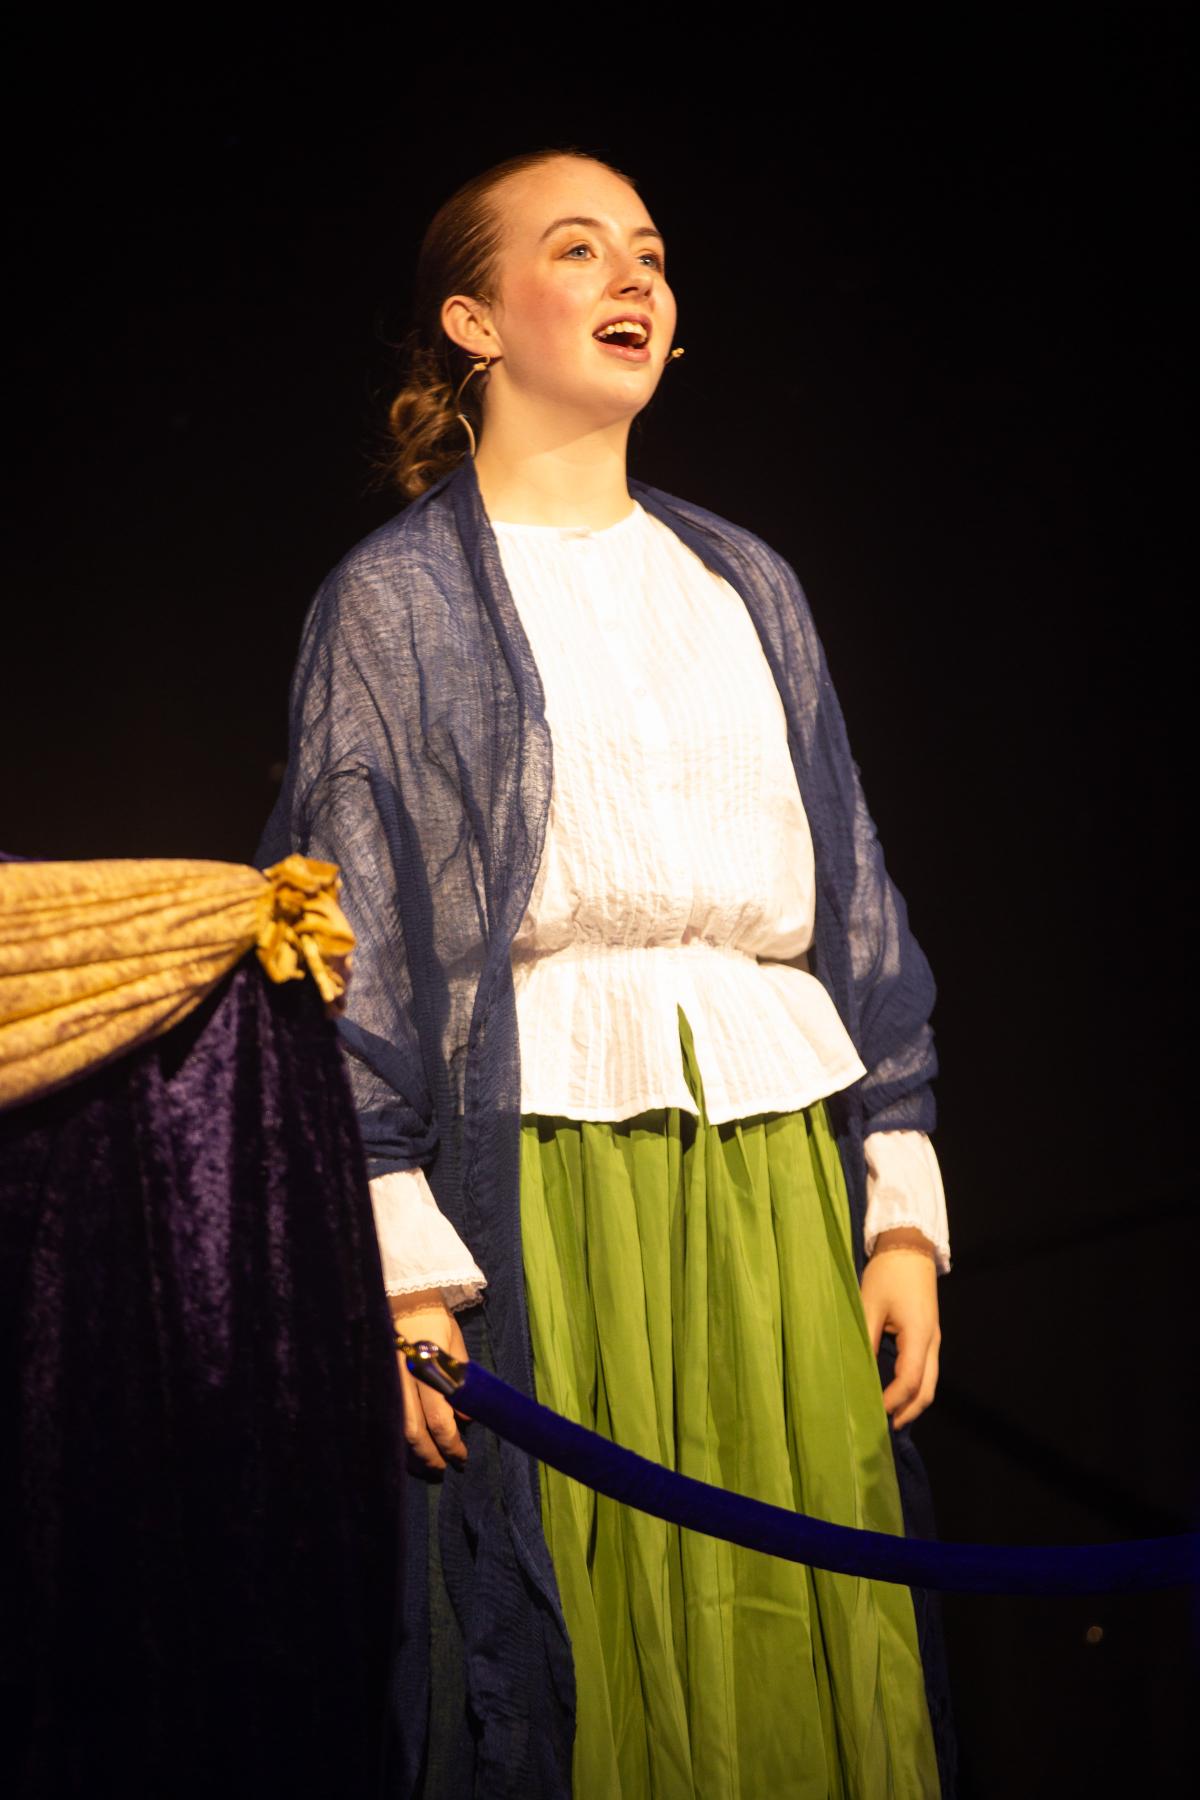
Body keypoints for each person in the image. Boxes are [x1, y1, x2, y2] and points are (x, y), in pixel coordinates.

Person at [257, 146, 955, 1799]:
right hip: (548, 1172)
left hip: (774, 1171)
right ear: (475, 320)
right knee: (595, 1609)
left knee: (796, 1600)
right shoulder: (395, 606)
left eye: (647, 249)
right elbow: (348, 942)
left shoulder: (744, 582)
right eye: (577, 250)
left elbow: (849, 891)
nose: (634, 275)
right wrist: (397, 1258)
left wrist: (899, 1196)